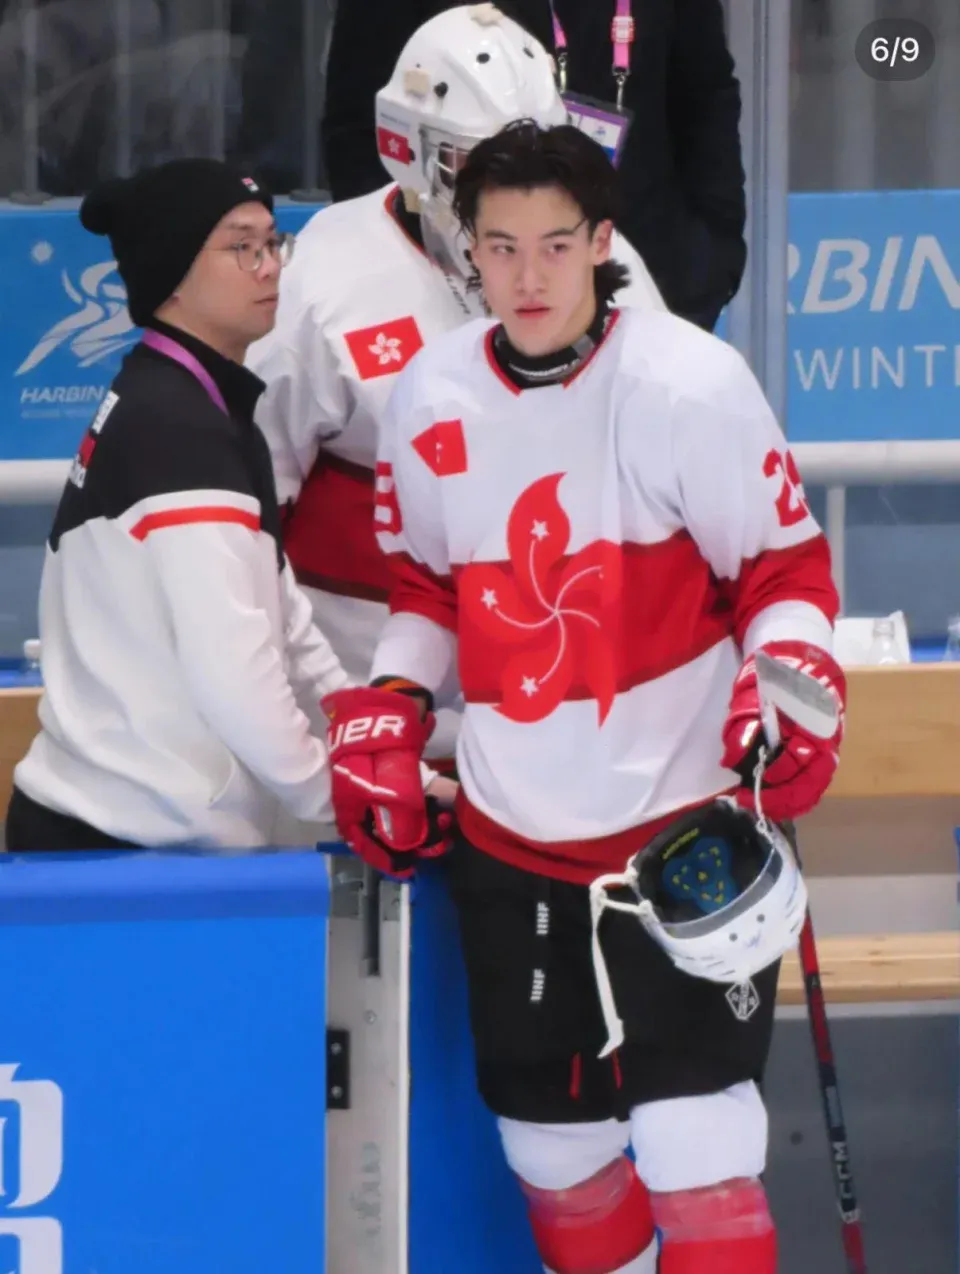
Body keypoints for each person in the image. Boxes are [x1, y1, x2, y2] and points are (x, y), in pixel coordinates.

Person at [320, 122, 846, 1273]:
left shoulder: (690, 383)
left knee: (695, 1146)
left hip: (684, 827)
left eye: (556, 245)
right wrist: (392, 702)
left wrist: (793, 690)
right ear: (468, 253)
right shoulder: (426, 395)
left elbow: (784, 572)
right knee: (557, 1156)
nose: (527, 276)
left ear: (604, 243)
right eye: (500, 247)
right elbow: (428, 584)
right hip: (515, 840)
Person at [246, 3, 664, 766]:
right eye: (480, 164)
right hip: (358, 688)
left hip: (556, 693)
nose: (510, 187)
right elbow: (253, 508)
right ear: (408, 148)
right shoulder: (321, 275)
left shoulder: (608, 264)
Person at [4, 157, 453, 853]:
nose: (271, 267)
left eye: (274, 243)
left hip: (135, 825)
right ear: (172, 273)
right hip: (127, 846)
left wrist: (358, 729)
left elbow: (280, 610)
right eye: (241, 247)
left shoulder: (201, 402)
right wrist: (341, 796)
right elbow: (233, 669)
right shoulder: (174, 431)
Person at [321, 0, 746, 332]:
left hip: (652, 268)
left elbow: (706, 95)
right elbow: (360, 121)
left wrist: (713, 258)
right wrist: (391, 277)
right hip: (461, 291)